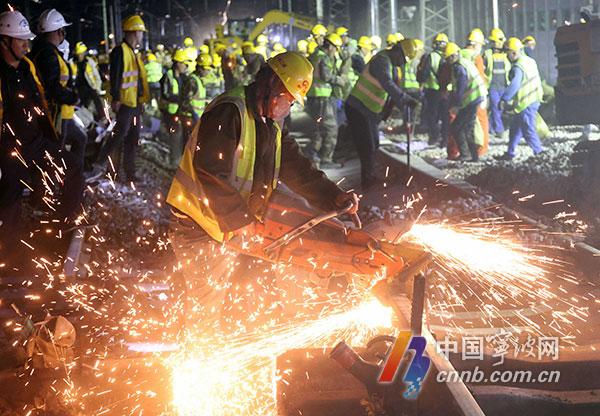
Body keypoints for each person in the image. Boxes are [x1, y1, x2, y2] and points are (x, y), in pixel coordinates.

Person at [167, 51, 359, 331]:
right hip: (199, 226)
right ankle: (198, 364)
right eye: (289, 99)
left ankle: (226, 351)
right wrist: (239, 218)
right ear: (272, 85)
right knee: (206, 305)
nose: (289, 107)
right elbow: (209, 170)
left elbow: (294, 165)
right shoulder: (229, 110)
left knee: (239, 296)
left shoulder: (269, 121)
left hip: (229, 223)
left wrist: (332, 196)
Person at [0, 10, 84, 267]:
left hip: (35, 142)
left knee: (72, 169)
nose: (27, 44)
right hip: (8, 149)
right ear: (4, 41)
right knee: (9, 199)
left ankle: (65, 227)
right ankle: (11, 256)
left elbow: (41, 105)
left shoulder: (27, 67)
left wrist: (50, 137)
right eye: (20, 40)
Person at [344, 39, 420, 188]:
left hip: (368, 111)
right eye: (403, 59)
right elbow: (387, 83)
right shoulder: (382, 61)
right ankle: (368, 182)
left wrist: (393, 110)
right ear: (397, 51)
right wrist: (405, 99)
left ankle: (371, 176)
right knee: (367, 146)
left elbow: (389, 94)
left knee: (374, 144)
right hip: (358, 108)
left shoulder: (390, 63)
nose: (403, 63)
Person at [88, 15, 149, 183]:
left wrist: (141, 100)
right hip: (125, 103)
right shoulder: (120, 51)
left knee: (132, 138)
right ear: (135, 32)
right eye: (141, 33)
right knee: (118, 135)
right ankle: (99, 164)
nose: (142, 36)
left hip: (134, 103)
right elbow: (115, 76)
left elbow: (136, 80)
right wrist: (115, 98)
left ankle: (130, 173)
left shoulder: (132, 53)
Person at [30, 9, 87, 166]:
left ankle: (73, 177)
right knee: (56, 152)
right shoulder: (47, 54)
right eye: (63, 30)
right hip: (55, 114)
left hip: (61, 112)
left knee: (79, 139)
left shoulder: (45, 51)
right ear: (58, 31)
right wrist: (73, 98)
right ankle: (64, 184)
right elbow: (53, 87)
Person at [497, 38, 544, 160]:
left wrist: (504, 99)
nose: (506, 56)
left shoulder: (518, 67)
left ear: (513, 52)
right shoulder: (530, 61)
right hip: (534, 97)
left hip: (526, 102)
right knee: (515, 128)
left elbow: (515, 84)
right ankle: (510, 152)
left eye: (507, 53)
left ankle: (540, 153)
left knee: (528, 129)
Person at [306, 33, 344, 168]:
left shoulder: (315, 55)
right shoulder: (324, 57)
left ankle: (312, 156)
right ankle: (326, 159)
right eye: (336, 48)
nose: (336, 51)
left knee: (318, 128)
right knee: (330, 128)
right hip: (322, 97)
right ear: (331, 46)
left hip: (314, 96)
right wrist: (339, 80)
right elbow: (326, 76)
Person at [445, 42, 487, 162]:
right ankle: (472, 156)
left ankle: (467, 155)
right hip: (475, 99)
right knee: (464, 128)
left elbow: (461, 87)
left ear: (454, 55)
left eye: (449, 58)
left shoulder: (459, 67)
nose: (449, 61)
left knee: (458, 127)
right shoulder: (464, 62)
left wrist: (456, 105)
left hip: (471, 100)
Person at [159, 49, 192, 167]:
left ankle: (181, 161)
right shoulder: (168, 76)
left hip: (180, 111)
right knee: (175, 135)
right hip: (170, 112)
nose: (186, 66)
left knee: (183, 135)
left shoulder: (184, 77)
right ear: (178, 63)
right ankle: (175, 161)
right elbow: (166, 94)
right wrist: (180, 99)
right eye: (184, 63)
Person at [419, 33, 449, 146]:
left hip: (432, 90)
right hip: (446, 91)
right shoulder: (449, 55)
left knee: (432, 115)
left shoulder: (431, 56)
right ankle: (445, 140)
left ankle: (434, 137)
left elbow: (425, 73)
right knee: (445, 116)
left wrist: (421, 83)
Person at [484, 28, 510, 137]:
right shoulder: (487, 54)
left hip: (504, 86)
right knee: (495, 108)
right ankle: (500, 130)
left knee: (499, 108)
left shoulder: (506, 54)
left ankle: (489, 128)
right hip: (493, 86)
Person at [74, 41, 104, 120]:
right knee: (84, 106)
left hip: (90, 87)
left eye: (81, 54)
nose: (80, 56)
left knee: (97, 101)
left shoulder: (90, 62)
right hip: (78, 89)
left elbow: (97, 77)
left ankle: (102, 117)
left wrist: (97, 88)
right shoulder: (72, 63)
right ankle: (90, 121)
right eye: (78, 54)